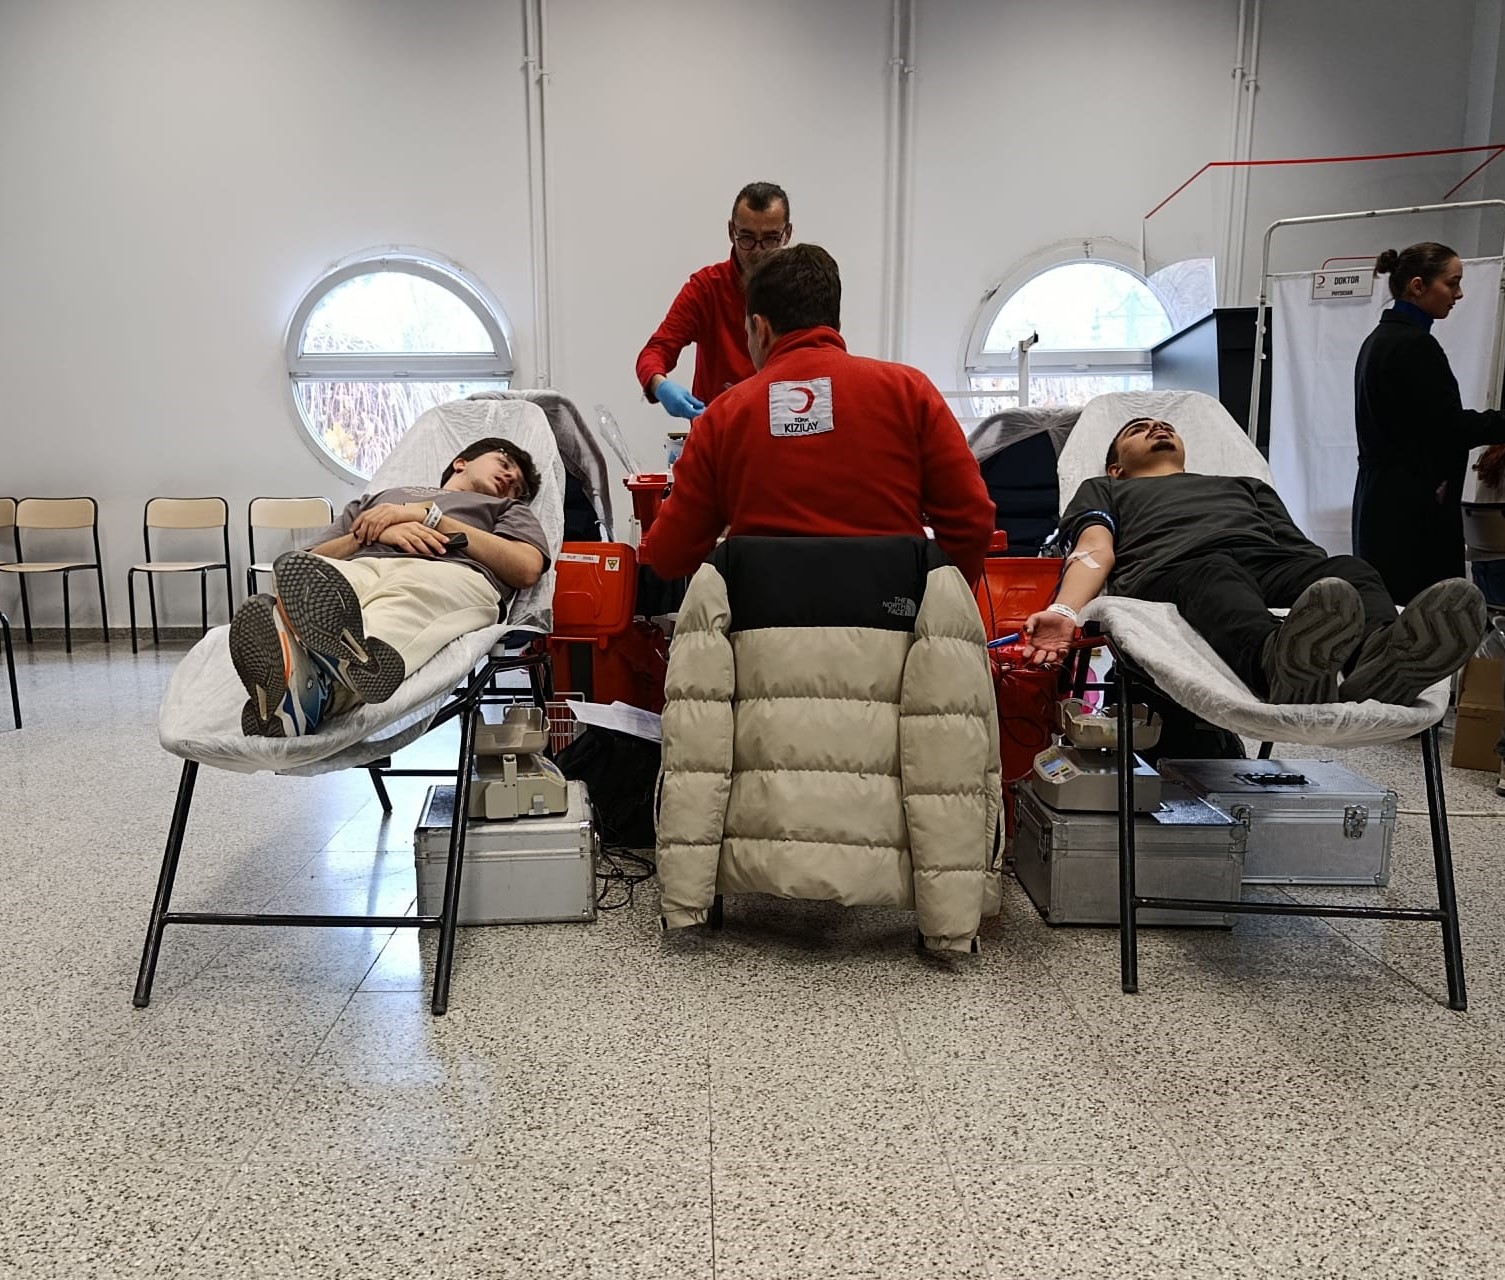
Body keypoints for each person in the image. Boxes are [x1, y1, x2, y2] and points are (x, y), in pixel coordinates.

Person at [1022, 417, 1487, 707]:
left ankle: (1377, 661)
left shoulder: (1245, 485)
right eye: (1138, 429)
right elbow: (1094, 549)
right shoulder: (1105, 489)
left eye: (1165, 425)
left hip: (1266, 562)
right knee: (1216, 574)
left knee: (1349, 569)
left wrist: (1325, 589)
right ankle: (1276, 666)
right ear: (1116, 468)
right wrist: (1065, 611)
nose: (1158, 428)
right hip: (1178, 567)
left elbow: (1297, 547)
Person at [637, 243, 996, 586]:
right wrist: (934, 595)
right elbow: (973, 521)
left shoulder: (722, 417)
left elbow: (669, 554)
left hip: (762, 627)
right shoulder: (910, 392)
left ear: (761, 329)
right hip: (894, 624)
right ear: (834, 322)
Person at [229, 437, 550, 737]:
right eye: (504, 464)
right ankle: (303, 685)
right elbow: (304, 561)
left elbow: (526, 568)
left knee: (395, 615)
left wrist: (430, 517)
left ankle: (313, 692)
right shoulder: (377, 501)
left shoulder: (506, 509)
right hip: (359, 566)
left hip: (447, 573)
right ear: (461, 463)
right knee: (310, 586)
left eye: (518, 487)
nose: (511, 479)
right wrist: (372, 534)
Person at [1353, 242, 1505, 605]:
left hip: (1383, 505)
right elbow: (1450, 428)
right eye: (1452, 283)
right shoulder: (1412, 345)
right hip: (1412, 516)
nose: (1459, 294)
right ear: (1418, 286)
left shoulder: (1379, 340)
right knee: (1426, 618)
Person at [635, 181, 793, 421]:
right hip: (718, 431)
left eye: (771, 238)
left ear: (787, 234)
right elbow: (654, 352)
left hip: (781, 428)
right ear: (731, 231)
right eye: (747, 238)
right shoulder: (706, 288)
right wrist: (660, 385)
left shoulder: (800, 291)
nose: (758, 251)